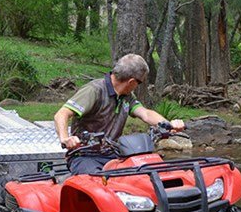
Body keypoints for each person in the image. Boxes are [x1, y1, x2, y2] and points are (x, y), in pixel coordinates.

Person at [54, 53, 185, 175]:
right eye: (140, 83)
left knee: (146, 174)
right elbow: (61, 114)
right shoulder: (94, 90)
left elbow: (145, 113)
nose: (137, 86)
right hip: (85, 156)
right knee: (97, 183)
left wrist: (168, 124)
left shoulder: (126, 96)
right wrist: (66, 138)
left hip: (114, 154)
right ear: (132, 82)